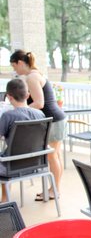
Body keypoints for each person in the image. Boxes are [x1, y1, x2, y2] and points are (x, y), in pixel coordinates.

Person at [10, 50, 66, 201]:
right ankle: (54, 188)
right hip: (56, 118)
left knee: (52, 156)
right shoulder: (36, 73)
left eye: (14, 66)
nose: (15, 70)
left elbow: (39, 103)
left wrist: (20, 109)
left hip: (52, 120)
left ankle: (55, 190)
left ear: (20, 63)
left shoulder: (32, 77)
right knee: (55, 156)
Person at [0, 78, 45, 201]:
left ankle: (4, 199)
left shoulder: (7, 116)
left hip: (11, 166)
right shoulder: (40, 114)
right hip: (35, 163)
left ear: (9, 97)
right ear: (28, 95)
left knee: (3, 156)